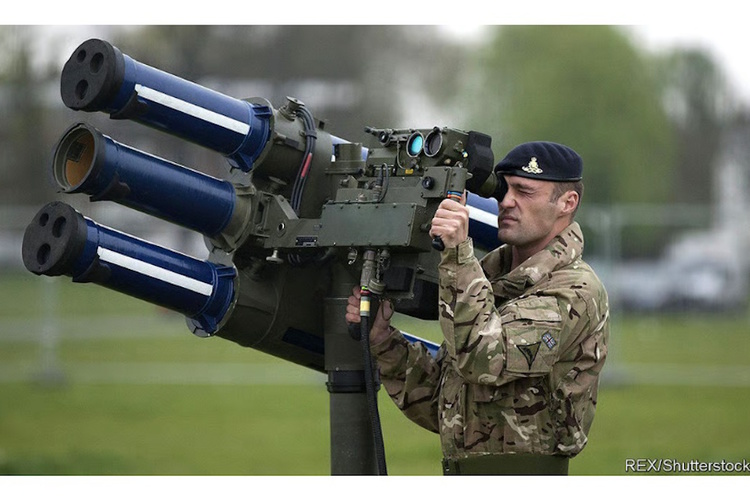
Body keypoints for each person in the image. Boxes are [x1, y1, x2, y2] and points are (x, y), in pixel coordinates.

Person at [346, 141, 609, 475]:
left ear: (567, 203)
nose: (506, 202)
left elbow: (484, 360)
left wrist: (458, 254)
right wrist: (384, 341)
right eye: (503, 190)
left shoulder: (575, 290)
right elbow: (446, 405)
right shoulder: (489, 278)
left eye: (524, 192)